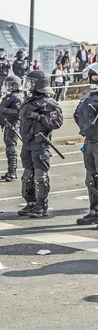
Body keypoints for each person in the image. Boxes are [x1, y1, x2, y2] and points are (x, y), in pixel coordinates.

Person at [18, 70, 63, 218]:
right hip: (27, 143)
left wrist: (40, 117)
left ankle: (41, 206)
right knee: (27, 175)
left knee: (40, 176)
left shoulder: (49, 103)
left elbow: (57, 122)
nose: (28, 85)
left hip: (40, 144)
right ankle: (30, 203)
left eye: (31, 82)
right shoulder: (28, 101)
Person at [74, 63, 98, 225]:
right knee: (91, 178)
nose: (93, 80)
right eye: (92, 77)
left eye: (96, 77)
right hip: (89, 141)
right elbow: (77, 115)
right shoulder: (87, 98)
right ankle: (94, 210)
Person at [0, 75, 24, 182]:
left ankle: (12, 172)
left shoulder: (17, 97)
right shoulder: (9, 97)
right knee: (8, 148)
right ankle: (10, 170)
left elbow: (19, 112)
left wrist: (5, 110)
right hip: (7, 125)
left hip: (14, 125)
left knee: (12, 148)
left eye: (9, 85)